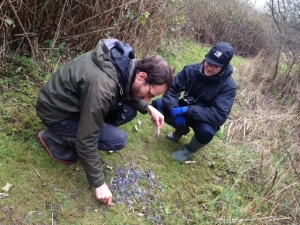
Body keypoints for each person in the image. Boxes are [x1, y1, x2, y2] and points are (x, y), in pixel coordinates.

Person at [36, 39, 174, 206]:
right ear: (142, 76)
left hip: (70, 103)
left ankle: (79, 130)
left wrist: (148, 107)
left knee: (128, 111)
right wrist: (99, 183)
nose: (147, 98)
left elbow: (124, 87)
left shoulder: (126, 64)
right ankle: (53, 137)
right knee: (117, 140)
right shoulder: (102, 86)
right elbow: (87, 139)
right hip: (56, 114)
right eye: (150, 94)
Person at [152, 41, 236, 162]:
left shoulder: (229, 87)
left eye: (215, 66)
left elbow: (219, 115)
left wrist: (188, 110)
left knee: (206, 132)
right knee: (158, 105)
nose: (209, 68)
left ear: (224, 67)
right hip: (183, 109)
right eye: (209, 62)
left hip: (203, 119)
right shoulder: (191, 70)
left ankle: (188, 150)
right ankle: (180, 130)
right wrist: (174, 108)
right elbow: (172, 90)